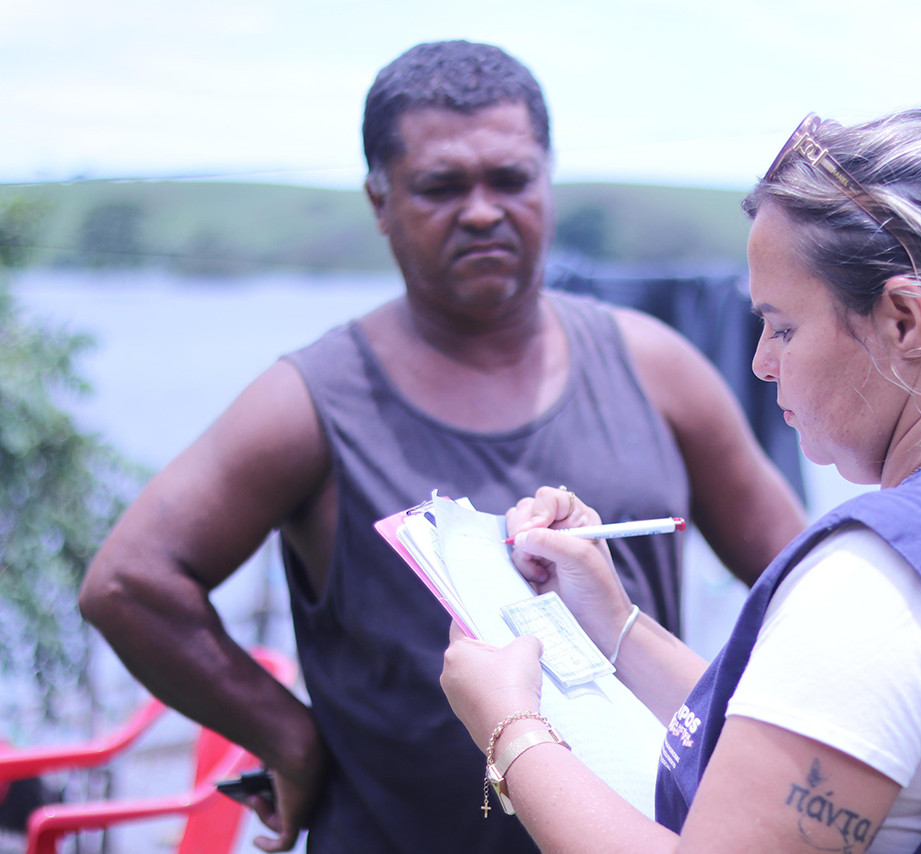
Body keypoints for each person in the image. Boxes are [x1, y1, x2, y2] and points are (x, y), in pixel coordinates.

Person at [78, 40, 805, 854]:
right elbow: (128, 584)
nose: (484, 210)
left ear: (548, 180)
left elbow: (806, 584)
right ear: (379, 201)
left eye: (512, 179)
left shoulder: (656, 368)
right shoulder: (311, 403)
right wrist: (290, 739)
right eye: (441, 186)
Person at [441, 99, 921, 853]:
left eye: (783, 326)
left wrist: (511, 729)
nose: (760, 363)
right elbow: (822, 734)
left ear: (905, 321)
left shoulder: (882, 581)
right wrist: (614, 622)